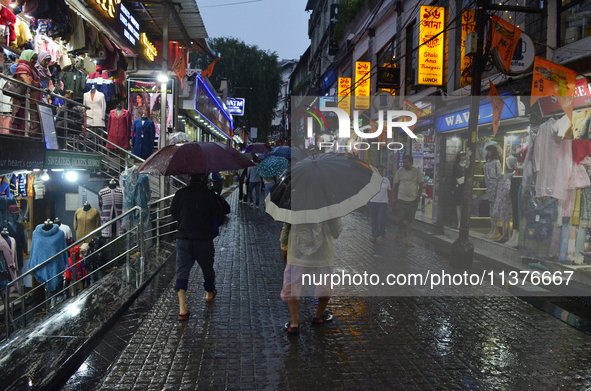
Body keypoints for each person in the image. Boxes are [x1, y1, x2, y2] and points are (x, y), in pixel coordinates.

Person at [170, 174, 230, 321]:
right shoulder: (209, 195)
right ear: (204, 178)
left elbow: (173, 214)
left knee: (182, 270)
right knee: (207, 268)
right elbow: (221, 214)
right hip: (203, 239)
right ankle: (209, 293)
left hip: (183, 238)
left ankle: (182, 307)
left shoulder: (180, 194)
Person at [281, 218, 343, 335]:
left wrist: (284, 246)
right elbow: (336, 230)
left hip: (297, 251)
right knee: (324, 283)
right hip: (323, 252)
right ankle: (319, 315)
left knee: (293, 284)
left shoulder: (294, 201)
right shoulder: (327, 201)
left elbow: (286, 226)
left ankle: (294, 321)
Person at [393, 155, 423, 247]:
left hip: (412, 200)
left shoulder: (417, 172)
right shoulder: (400, 171)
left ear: (411, 162)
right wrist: (393, 198)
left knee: (410, 220)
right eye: (404, 162)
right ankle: (400, 232)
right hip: (401, 199)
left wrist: (418, 197)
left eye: (406, 162)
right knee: (399, 218)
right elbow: (396, 185)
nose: (405, 164)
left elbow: (421, 185)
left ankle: (407, 239)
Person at [10, 50, 41, 137]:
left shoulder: (30, 68)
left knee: (28, 122)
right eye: (33, 59)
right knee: (23, 123)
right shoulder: (22, 67)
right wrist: (38, 84)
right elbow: (29, 82)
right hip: (23, 101)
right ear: (27, 57)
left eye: (36, 59)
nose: (34, 61)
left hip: (29, 101)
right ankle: (20, 140)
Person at [368, 165, 391, 242]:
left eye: (381, 171)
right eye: (378, 171)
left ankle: (382, 234)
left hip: (383, 203)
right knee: (373, 220)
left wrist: (390, 200)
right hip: (373, 202)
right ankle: (374, 235)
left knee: (381, 219)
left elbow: (389, 191)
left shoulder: (386, 180)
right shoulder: (371, 180)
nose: (380, 172)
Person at [483, 144, 502, 239]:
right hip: (489, 187)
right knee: (491, 208)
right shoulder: (488, 162)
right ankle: (492, 228)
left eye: (490, 151)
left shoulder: (496, 162)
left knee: (495, 208)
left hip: (495, 186)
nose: (488, 153)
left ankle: (496, 229)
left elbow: (499, 175)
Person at [452, 151, 466, 227]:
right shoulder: (456, 165)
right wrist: (453, 187)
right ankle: (459, 222)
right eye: (461, 156)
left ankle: (464, 222)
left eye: (464, 155)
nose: (462, 157)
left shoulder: (468, 165)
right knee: (458, 205)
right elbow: (453, 177)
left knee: (464, 205)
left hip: (466, 187)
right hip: (458, 186)